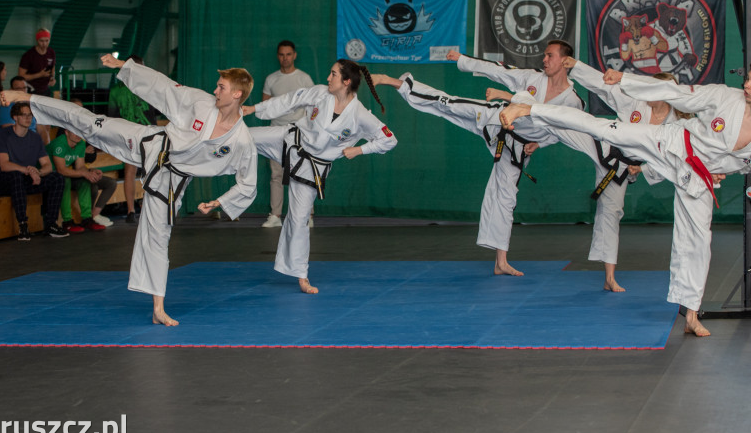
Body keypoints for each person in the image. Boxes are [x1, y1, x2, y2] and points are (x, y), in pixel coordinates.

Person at [500, 61, 751, 337]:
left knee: (699, 242)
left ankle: (691, 314)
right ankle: (528, 108)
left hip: (699, 177)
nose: (746, 84)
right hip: (671, 143)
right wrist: (625, 80)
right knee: (602, 129)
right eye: (747, 78)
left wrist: (722, 170)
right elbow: (674, 92)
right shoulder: (725, 96)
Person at [0, 54, 258, 327]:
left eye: (221, 87)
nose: (215, 90)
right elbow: (164, 87)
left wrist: (219, 202)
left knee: (159, 239)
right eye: (217, 85)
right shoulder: (201, 103)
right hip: (147, 144)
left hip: (170, 184)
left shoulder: (240, 140)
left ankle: (158, 308)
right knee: (89, 122)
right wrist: (126, 67)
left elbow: (248, 182)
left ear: (237, 93)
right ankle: (28, 98)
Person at [486, 59, 686, 292]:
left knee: (611, 213)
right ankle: (522, 104)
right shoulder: (634, 103)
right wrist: (577, 67)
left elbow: (673, 159)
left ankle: (609, 278)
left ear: (667, 95)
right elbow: (604, 87)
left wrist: (643, 169)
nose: (647, 94)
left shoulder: (677, 123)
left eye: (653, 90)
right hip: (601, 142)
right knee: (565, 124)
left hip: (620, 169)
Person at [393, 43, 583, 277]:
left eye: (550, 56)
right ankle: (405, 85)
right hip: (495, 119)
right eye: (544, 55)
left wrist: (541, 143)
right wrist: (463, 60)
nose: (544, 59)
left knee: (506, 197)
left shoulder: (572, 101)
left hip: (517, 148)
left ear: (565, 62)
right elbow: (497, 69)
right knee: (451, 105)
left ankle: (500, 261)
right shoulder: (532, 78)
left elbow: (567, 128)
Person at [241, 59, 396, 294]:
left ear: (346, 82)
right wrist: (254, 109)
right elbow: (290, 100)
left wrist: (360, 149)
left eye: (333, 74)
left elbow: (389, 139)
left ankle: (301, 275)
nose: (327, 78)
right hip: (289, 141)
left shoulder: (360, 115)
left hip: (311, 169)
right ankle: (194, 150)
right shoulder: (320, 94)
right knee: (244, 137)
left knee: (299, 219)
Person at [0, 100, 67, 240]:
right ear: (15, 117)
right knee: (16, 176)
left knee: (57, 178)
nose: (28, 118)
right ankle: (23, 225)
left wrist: (39, 172)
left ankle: (51, 224)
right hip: (2, 181)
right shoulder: (3, 135)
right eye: (24, 115)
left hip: (26, 178)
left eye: (30, 115)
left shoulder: (36, 138)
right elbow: (4, 165)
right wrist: (28, 170)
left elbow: (47, 165)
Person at [260, 40, 314, 229]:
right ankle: (275, 216)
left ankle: (307, 216)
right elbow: (265, 105)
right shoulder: (271, 79)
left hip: (300, 133)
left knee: (302, 174)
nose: (285, 58)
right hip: (276, 133)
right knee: (276, 174)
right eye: (282, 54)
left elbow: (313, 106)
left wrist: (306, 129)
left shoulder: (304, 79)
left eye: (288, 54)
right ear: (278, 56)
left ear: (294, 55)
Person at [106, 55, 156, 224]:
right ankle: (134, 210)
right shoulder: (148, 87)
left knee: (145, 171)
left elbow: (112, 116)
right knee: (139, 171)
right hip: (136, 134)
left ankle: (133, 210)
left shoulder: (146, 87)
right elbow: (112, 116)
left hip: (144, 134)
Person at [48, 126, 117, 233]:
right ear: (66, 132)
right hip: (46, 174)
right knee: (64, 180)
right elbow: (61, 170)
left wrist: (90, 172)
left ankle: (87, 219)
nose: (78, 135)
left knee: (84, 180)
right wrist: (85, 173)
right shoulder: (59, 143)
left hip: (62, 174)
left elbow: (80, 167)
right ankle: (67, 222)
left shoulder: (80, 143)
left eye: (79, 131)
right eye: (74, 132)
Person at [18, 28, 57, 96]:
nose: (44, 44)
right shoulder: (29, 55)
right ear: (37, 40)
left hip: (45, 89)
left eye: (47, 41)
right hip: (32, 89)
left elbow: (52, 67)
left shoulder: (51, 52)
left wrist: (52, 78)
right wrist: (40, 75)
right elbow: (21, 76)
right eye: (41, 41)